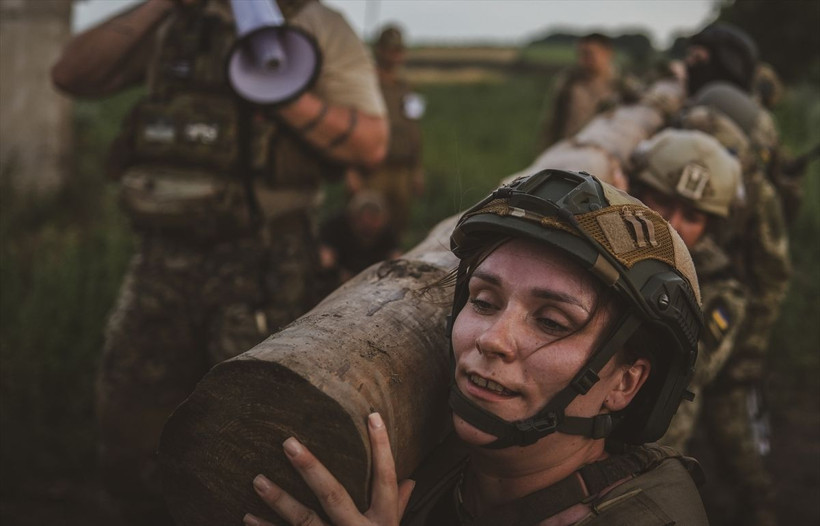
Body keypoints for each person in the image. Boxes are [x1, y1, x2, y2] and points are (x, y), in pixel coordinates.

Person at [50, 0, 387, 523]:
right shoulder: (177, 21)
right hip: (161, 264)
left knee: (252, 435)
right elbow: (71, 74)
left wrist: (282, 94)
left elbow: (371, 144)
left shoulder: (313, 24)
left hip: (264, 268)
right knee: (130, 426)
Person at [242, 169, 709, 526]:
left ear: (625, 383)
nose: (492, 339)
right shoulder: (438, 462)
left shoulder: (652, 517)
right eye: (483, 301)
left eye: (551, 322)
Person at [681, 24, 788, 526]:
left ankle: (757, 505)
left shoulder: (728, 125)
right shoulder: (740, 114)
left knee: (729, 420)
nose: (689, 66)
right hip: (712, 288)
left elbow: (770, 267)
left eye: (699, 56)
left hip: (730, 295)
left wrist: (751, 347)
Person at [628, 128, 746, 453]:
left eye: (692, 217)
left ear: (710, 227)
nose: (672, 223)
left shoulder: (722, 286)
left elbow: (696, 365)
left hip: (649, 440)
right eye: (662, 202)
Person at [358, 24, 425, 242]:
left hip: (403, 169)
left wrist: (417, 169)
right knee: (368, 226)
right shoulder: (366, 85)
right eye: (391, 50)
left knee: (397, 228)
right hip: (374, 170)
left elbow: (413, 128)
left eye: (399, 50)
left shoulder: (405, 87)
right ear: (379, 50)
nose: (396, 55)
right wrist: (352, 171)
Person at [539, 33, 640, 149]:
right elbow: (552, 122)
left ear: (608, 53)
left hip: (608, 151)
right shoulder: (569, 81)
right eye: (581, 54)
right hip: (571, 149)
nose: (583, 59)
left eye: (589, 54)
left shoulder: (624, 84)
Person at [318, 190, 401, 286]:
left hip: (375, 280)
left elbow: (396, 256)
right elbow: (326, 259)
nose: (372, 224)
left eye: (376, 218)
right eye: (369, 217)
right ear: (354, 218)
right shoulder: (335, 226)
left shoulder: (387, 230)